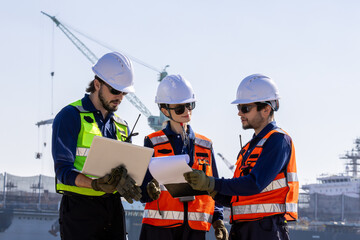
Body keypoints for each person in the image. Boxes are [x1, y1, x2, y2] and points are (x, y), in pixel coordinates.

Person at [184, 74, 298, 240]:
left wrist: (211, 182)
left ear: (266, 109)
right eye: (239, 108)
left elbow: (254, 183)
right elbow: (236, 198)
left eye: (245, 108)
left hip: (266, 230)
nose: (239, 113)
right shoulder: (249, 148)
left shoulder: (278, 141)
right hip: (243, 229)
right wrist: (209, 189)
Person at [52, 52, 142, 240]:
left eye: (124, 92)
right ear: (97, 84)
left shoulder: (122, 126)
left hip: (113, 210)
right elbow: (63, 170)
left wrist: (139, 183)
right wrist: (94, 184)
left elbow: (129, 172)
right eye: (115, 91)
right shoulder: (70, 116)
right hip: (79, 212)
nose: (120, 97)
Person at [139, 75, 228, 240]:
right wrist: (149, 190)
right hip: (159, 230)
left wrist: (218, 220)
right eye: (180, 108)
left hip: (194, 230)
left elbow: (214, 186)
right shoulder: (152, 142)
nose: (187, 112)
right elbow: (143, 192)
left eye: (190, 105)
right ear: (165, 111)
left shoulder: (206, 145)